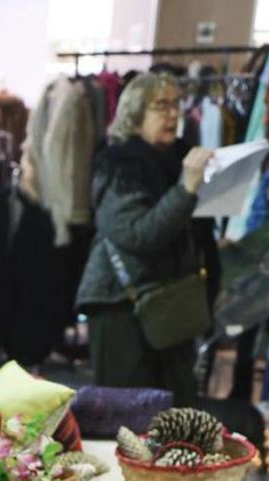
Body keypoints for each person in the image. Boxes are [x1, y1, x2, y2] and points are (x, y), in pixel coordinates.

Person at [75, 72, 217, 405]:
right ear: (135, 113)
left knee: (175, 415)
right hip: (121, 307)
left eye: (176, 105)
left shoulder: (180, 158)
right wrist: (185, 191)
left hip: (170, 309)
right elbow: (136, 234)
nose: (172, 114)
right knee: (126, 416)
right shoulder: (118, 164)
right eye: (160, 105)